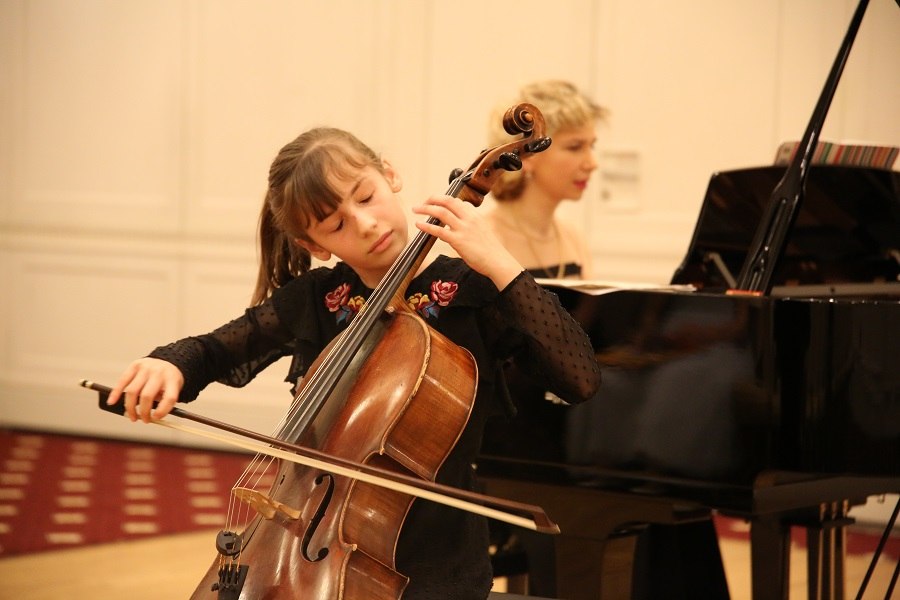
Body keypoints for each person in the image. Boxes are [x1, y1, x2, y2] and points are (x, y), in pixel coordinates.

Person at [105, 126, 602, 600]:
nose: (365, 224)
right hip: (311, 544)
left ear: (390, 175)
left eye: (365, 197)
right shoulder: (319, 300)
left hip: (436, 564)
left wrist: (498, 262)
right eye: (336, 223)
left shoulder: (470, 292)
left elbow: (579, 377)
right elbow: (214, 350)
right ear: (314, 246)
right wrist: (169, 364)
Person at [484, 79, 608, 280]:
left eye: (591, 146)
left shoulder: (573, 238)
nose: (592, 163)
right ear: (528, 155)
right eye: (575, 147)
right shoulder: (484, 240)